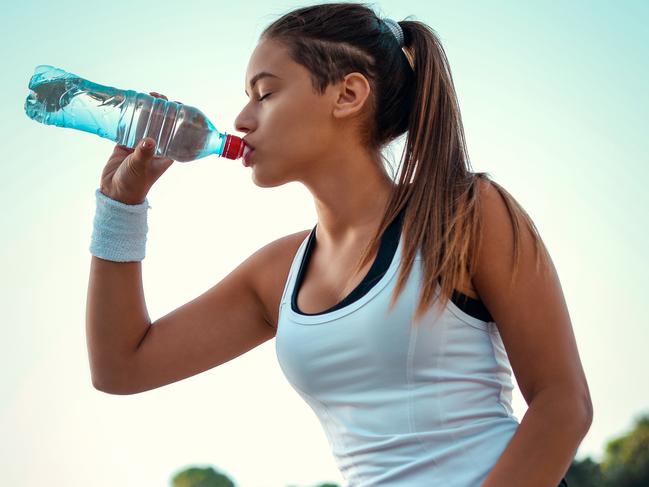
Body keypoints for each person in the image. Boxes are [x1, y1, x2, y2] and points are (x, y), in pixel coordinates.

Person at [86, 3, 591, 486]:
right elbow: (122, 366)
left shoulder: (462, 212)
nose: (241, 119)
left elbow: (562, 402)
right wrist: (119, 205)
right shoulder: (277, 274)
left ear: (347, 95)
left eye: (264, 93)